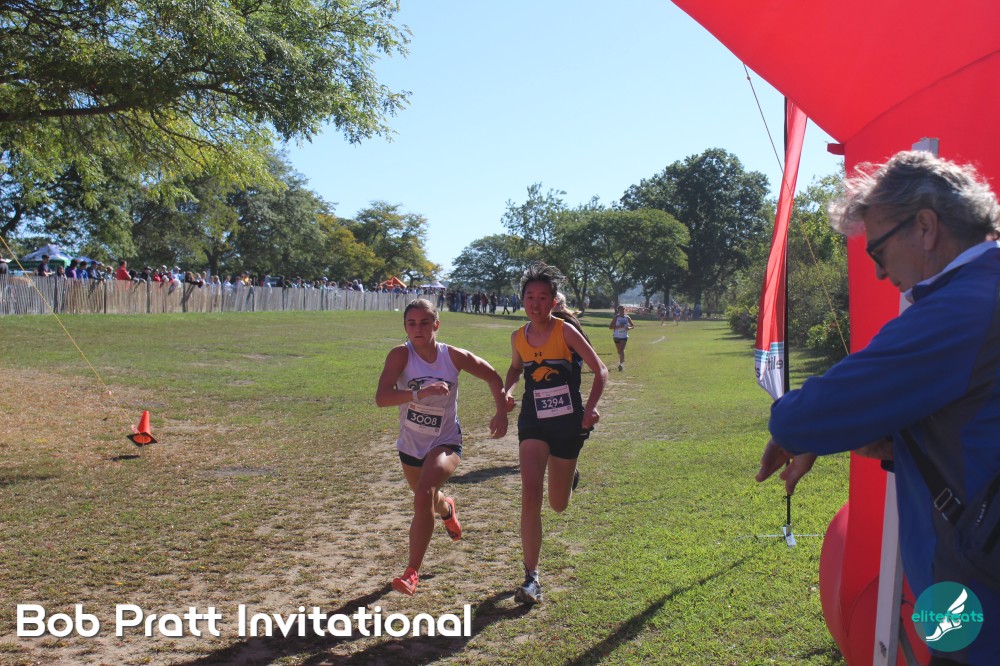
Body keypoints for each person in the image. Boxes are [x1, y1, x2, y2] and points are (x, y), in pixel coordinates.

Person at [756, 150, 1000, 665]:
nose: (878, 273)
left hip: (975, 581)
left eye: (878, 250)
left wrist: (802, 432)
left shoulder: (962, 306)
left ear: (926, 228)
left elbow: (802, 416)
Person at [375, 298, 509, 597]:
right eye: (411, 323)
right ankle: (447, 509)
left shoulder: (453, 356)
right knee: (428, 498)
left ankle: (411, 572)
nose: (418, 328)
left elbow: (493, 376)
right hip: (411, 444)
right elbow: (382, 397)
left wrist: (501, 412)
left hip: (445, 440)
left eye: (425, 322)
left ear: (436, 324)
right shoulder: (400, 355)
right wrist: (418, 393)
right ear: (405, 327)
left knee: (423, 493)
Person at [503, 263, 607, 604]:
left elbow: (600, 370)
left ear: (552, 301)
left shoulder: (566, 331)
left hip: (568, 423)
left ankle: (569, 475)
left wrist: (591, 409)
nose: (535, 303)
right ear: (522, 300)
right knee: (530, 492)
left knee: (558, 504)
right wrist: (508, 390)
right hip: (533, 421)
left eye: (542, 297)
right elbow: (516, 368)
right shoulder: (518, 336)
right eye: (530, 297)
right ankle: (531, 577)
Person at [609, 305, 635, 371]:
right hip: (616, 336)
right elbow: (610, 327)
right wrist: (618, 326)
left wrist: (629, 328)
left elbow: (633, 326)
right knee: (619, 351)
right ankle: (622, 359)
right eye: (621, 310)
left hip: (624, 337)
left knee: (621, 350)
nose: (622, 311)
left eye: (623, 309)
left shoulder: (627, 318)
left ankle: (621, 364)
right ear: (618, 311)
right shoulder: (616, 317)